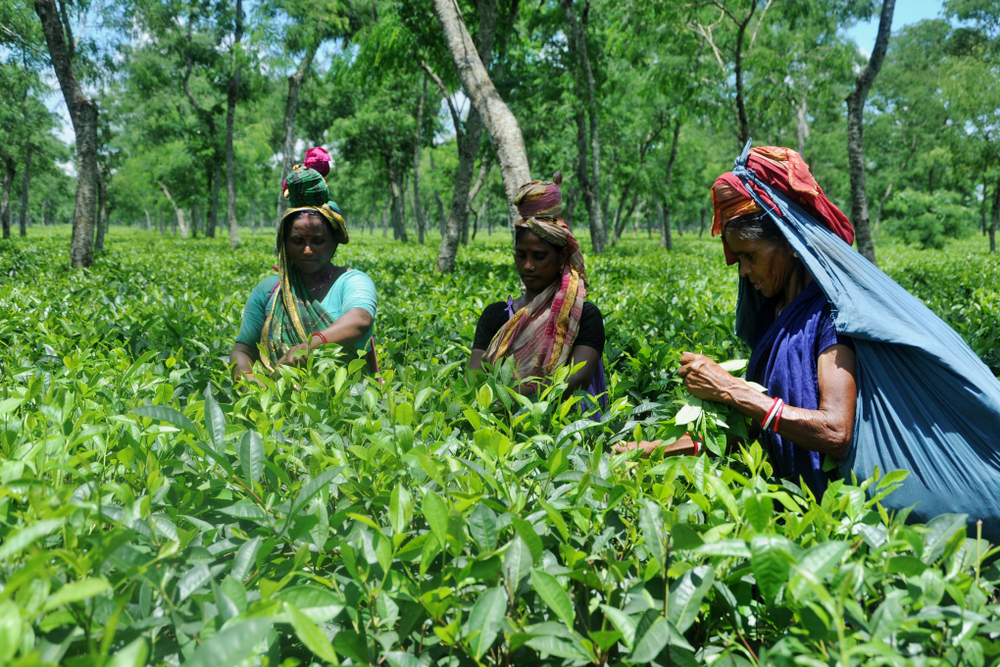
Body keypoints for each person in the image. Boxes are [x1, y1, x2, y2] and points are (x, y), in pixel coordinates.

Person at [622, 144, 1000, 541]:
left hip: (834, 521)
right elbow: (757, 430)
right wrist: (652, 450)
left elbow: (835, 432)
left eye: (750, 255)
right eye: (738, 259)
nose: (744, 271)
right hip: (789, 513)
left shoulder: (831, 317)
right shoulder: (776, 316)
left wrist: (731, 388)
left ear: (789, 242)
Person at [231, 162, 378, 385]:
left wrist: (311, 345)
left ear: (334, 242)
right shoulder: (269, 290)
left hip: (350, 409)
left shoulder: (352, 281)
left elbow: (360, 321)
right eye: (297, 241)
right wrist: (248, 382)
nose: (307, 250)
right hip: (280, 409)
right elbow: (243, 349)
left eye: (318, 241)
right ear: (284, 244)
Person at [468, 172, 607, 407]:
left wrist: (502, 401)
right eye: (521, 256)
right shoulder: (495, 315)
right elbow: (473, 379)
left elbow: (573, 380)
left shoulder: (584, 316)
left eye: (539, 256)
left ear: (562, 256)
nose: (528, 266)